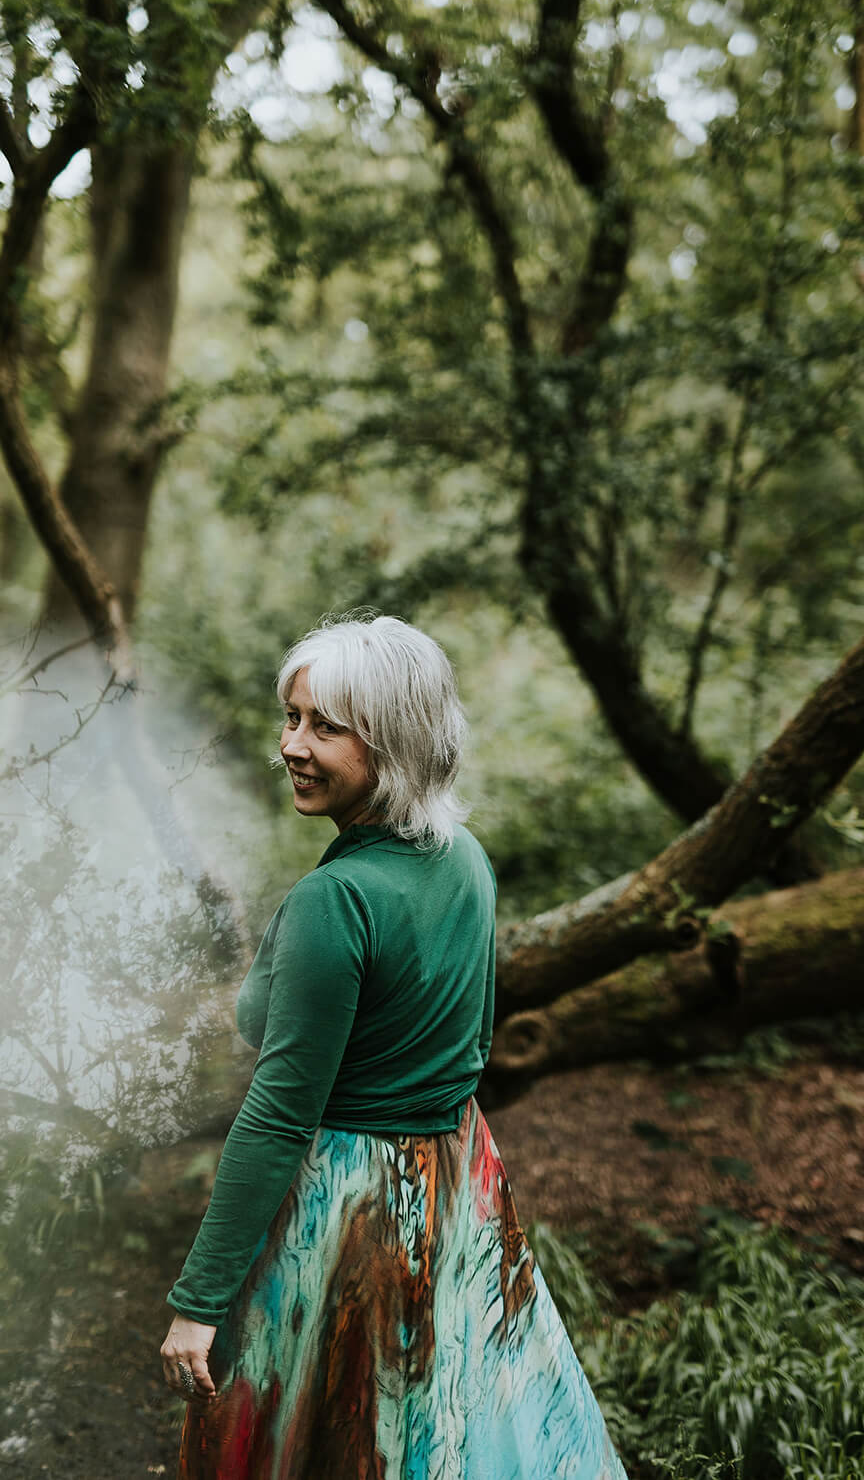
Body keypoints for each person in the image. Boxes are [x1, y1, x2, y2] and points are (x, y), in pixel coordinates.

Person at [160, 614, 628, 1479]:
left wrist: (199, 1302)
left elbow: (275, 1115)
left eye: (324, 727)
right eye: (292, 717)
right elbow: (471, 1038)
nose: (292, 745)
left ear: (397, 742)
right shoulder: (467, 860)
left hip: (346, 1210)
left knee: (336, 1440)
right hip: (459, 1184)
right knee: (440, 1427)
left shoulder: (335, 902)